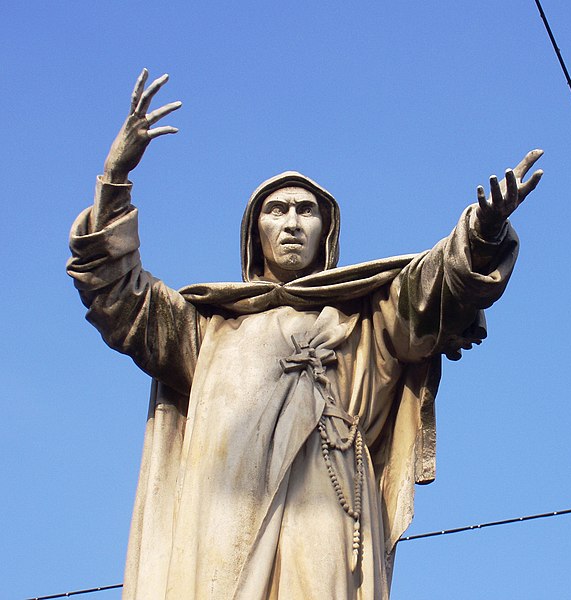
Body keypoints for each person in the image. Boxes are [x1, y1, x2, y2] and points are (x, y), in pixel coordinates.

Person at [67, 69, 543, 600]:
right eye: (276, 210)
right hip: (223, 519)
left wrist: (482, 233)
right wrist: (114, 180)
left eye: (305, 210)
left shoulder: (366, 319)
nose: (291, 221)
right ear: (257, 234)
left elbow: (431, 293)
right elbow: (117, 296)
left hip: (329, 510)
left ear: (326, 233)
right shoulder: (207, 329)